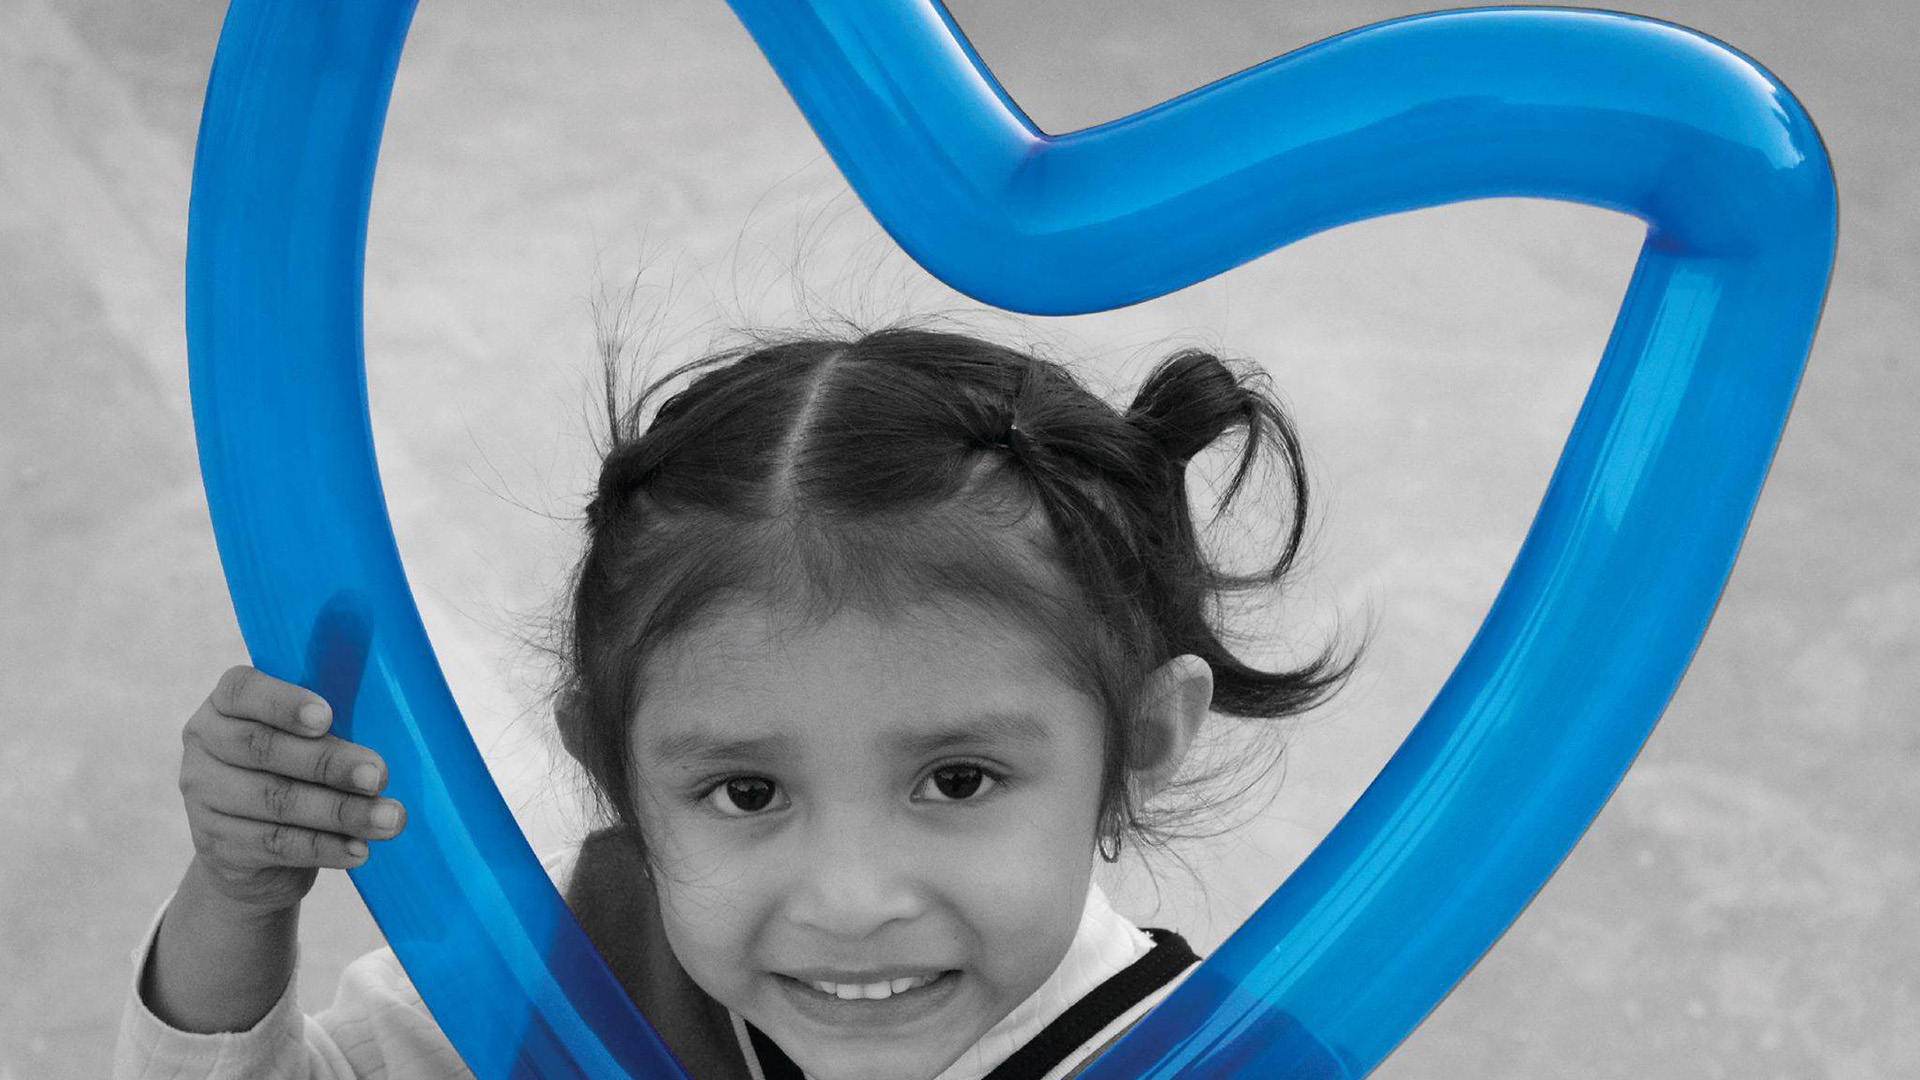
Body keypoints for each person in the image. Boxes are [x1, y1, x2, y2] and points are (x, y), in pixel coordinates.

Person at [113, 325, 1358, 1080]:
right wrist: (239, 894)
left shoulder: (1208, 1061)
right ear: (615, 772)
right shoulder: (589, 950)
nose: (850, 900)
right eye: (747, 792)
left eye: (959, 780)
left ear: (1139, 743)